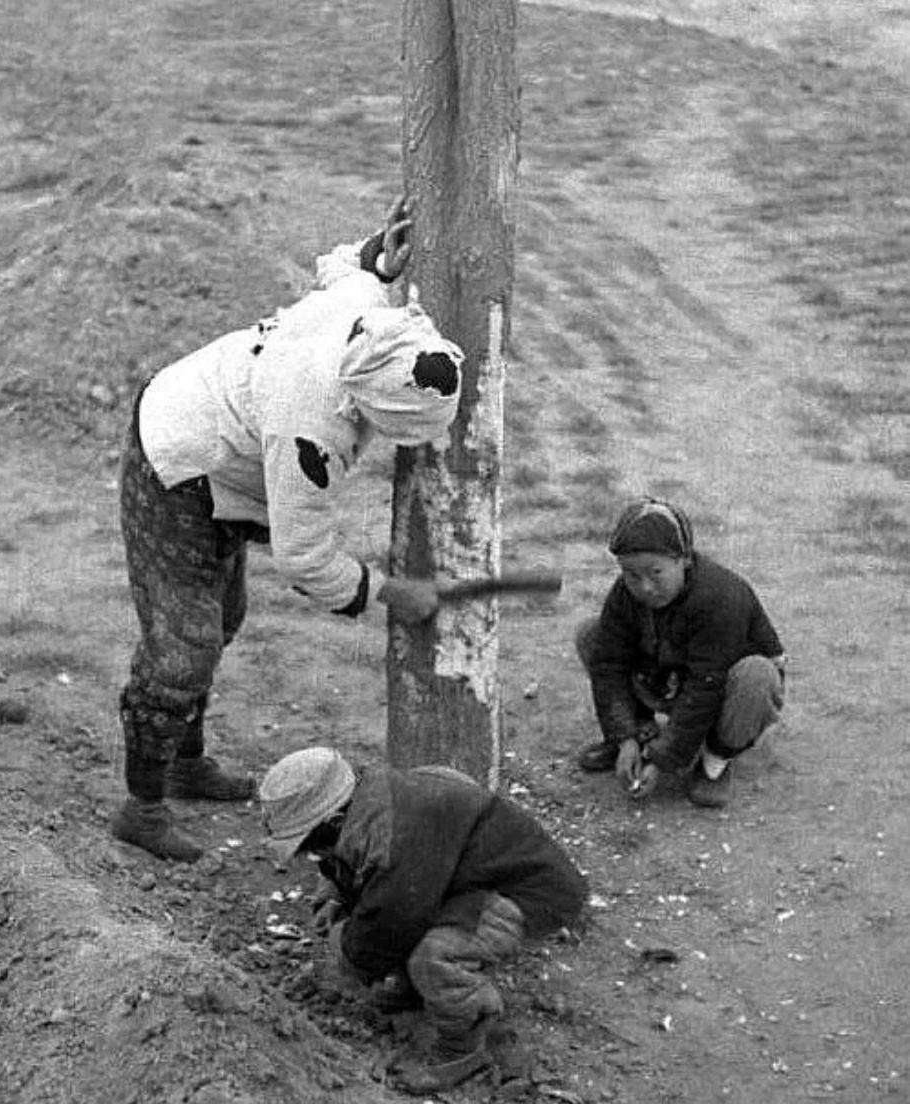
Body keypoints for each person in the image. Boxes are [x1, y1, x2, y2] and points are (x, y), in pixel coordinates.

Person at [112, 197, 465, 862]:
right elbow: (305, 560)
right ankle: (143, 807)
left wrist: (375, 255)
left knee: (222, 617)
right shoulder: (312, 429)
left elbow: (343, 272)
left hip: (225, 452)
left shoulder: (376, 319)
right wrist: (390, 593)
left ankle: (186, 764)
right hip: (178, 460)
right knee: (183, 645)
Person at [258, 746, 589, 1095]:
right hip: (462, 878)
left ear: (334, 821)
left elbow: (385, 928)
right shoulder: (369, 801)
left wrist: (344, 949)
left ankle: (462, 1050)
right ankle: (416, 991)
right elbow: (360, 872)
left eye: (309, 842)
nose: (307, 855)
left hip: (528, 889)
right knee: (395, 914)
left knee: (434, 957)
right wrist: (337, 895)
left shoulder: (394, 837)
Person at [574, 497, 786, 806]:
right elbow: (609, 666)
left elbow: (705, 687)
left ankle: (714, 762)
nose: (644, 586)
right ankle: (640, 737)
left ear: (683, 559)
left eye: (655, 572)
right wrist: (625, 737)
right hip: (673, 677)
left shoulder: (721, 598)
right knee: (593, 636)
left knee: (757, 675)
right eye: (632, 575)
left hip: (723, 691)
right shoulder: (624, 596)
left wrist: (663, 760)